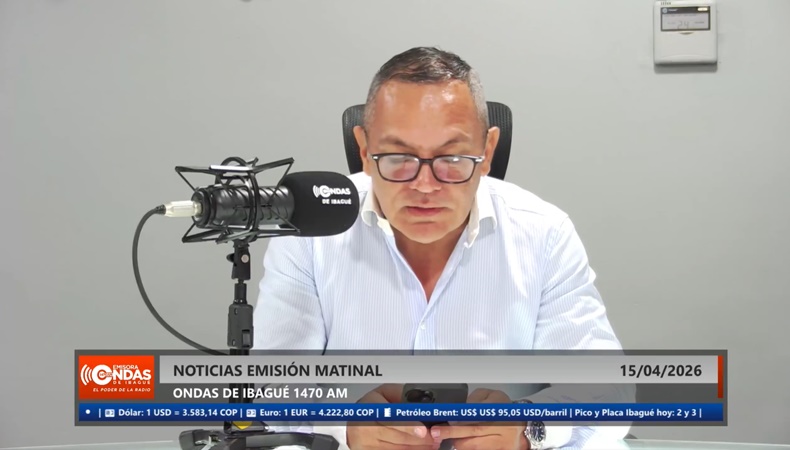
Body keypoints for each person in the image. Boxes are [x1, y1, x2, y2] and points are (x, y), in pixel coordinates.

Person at [253, 46, 632, 450]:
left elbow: (608, 393)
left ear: (487, 152)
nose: (425, 186)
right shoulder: (308, 235)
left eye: (451, 157)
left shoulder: (543, 233)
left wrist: (529, 428)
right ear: (364, 149)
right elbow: (274, 387)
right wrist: (343, 426)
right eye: (398, 156)